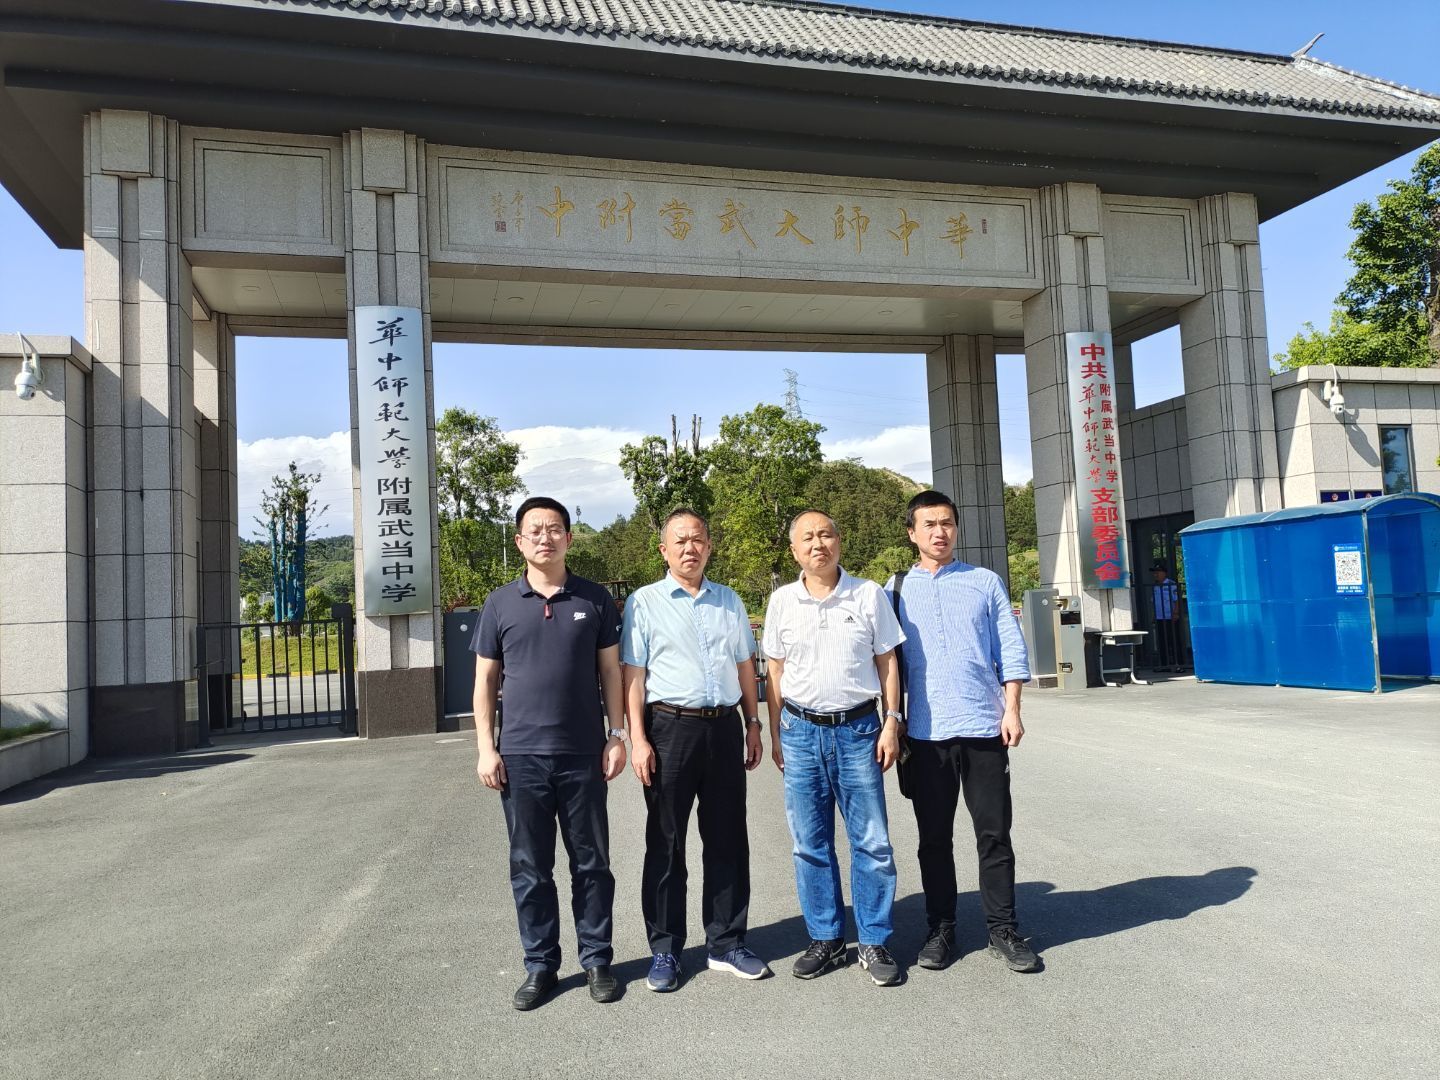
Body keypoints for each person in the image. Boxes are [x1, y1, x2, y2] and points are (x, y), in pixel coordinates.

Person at [472, 496, 628, 1011]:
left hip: (583, 753)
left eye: (555, 528)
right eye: (535, 530)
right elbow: (485, 681)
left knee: (592, 863)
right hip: (520, 756)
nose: (546, 537)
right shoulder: (500, 603)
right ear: (520, 541)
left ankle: (597, 959)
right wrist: (486, 748)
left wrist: (617, 735)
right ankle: (540, 965)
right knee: (530, 867)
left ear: (569, 538)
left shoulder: (595, 599)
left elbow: (611, 672)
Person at [885, 489, 1038, 974]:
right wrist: (892, 721)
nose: (940, 532)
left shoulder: (984, 582)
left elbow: (1010, 649)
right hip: (925, 735)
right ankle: (941, 928)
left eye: (947, 523)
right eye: (929, 524)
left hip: (984, 729)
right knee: (933, 838)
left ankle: (1003, 929)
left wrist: (1012, 709)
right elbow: (886, 664)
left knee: (994, 834)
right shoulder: (894, 591)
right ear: (912, 533)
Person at [622, 508, 768, 993]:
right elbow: (634, 675)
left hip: (724, 726)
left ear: (709, 546)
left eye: (698, 539)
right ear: (663, 550)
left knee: (728, 839)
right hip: (670, 729)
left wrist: (753, 724)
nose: (690, 548)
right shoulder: (644, 602)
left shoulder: (729, 600)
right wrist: (638, 739)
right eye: (680, 541)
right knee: (666, 842)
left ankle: (727, 942)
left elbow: (745, 665)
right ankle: (665, 949)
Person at [762, 510, 906, 987]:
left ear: (839, 541)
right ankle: (825, 937)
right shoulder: (782, 601)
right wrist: (776, 733)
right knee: (810, 843)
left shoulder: (867, 594)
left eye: (825, 534)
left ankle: (873, 939)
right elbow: (775, 671)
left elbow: (887, 661)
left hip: (859, 731)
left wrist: (892, 721)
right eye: (807, 537)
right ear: (794, 550)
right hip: (800, 732)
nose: (818, 544)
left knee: (872, 841)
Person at [1150, 562, 1183, 671]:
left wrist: (1176, 613)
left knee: (1173, 641)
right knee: (1162, 642)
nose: (1156, 574)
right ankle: (1165, 665)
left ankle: (1179, 664)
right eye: (1155, 572)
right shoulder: (1155, 586)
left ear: (1164, 573)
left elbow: (1176, 600)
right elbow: (1154, 602)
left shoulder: (1171, 584)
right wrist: (1154, 615)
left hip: (1170, 617)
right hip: (1160, 618)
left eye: (1158, 572)